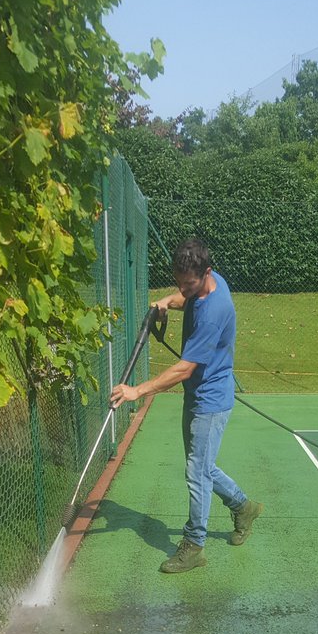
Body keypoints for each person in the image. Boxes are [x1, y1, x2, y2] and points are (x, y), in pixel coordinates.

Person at [111, 238, 262, 574]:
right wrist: (169, 300)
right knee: (203, 466)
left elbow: (185, 369)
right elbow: (187, 298)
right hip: (199, 393)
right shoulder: (206, 283)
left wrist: (138, 391)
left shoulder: (215, 310)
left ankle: (194, 545)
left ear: (205, 273)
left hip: (211, 399)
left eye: (188, 284)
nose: (183, 289)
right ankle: (243, 506)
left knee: (196, 472)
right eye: (178, 283)